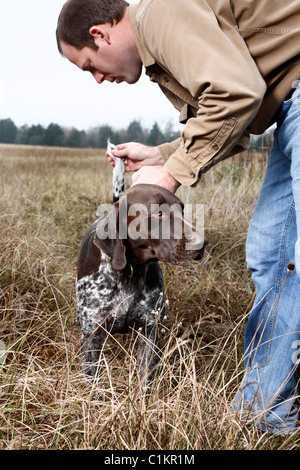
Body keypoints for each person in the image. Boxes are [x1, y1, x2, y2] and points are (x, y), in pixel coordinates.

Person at [56, 0, 300, 434]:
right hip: (288, 112)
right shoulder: (160, 46)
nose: (97, 78)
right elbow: (236, 121)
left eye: (88, 65)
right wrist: (163, 155)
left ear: (100, 34)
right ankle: (268, 415)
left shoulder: (159, 13)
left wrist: (168, 177)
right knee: (274, 257)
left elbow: (238, 93)